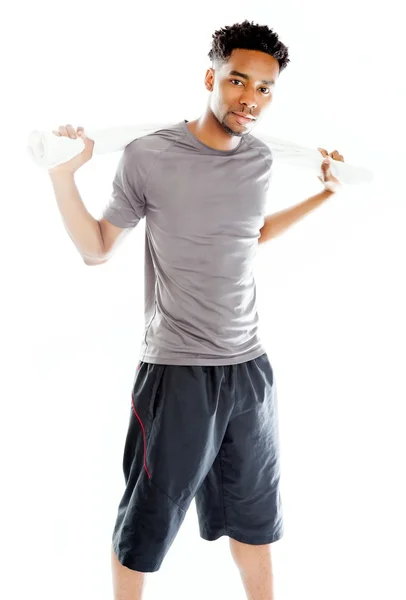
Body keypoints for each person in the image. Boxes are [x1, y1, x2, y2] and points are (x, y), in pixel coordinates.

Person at [48, 19, 344, 600]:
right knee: (147, 524)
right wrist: (64, 176)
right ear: (211, 77)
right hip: (177, 371)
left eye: (264, 88)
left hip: (250, 369)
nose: (249, 99)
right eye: (238, 81)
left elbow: (248, 233)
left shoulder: (257, 161)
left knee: (256, 519)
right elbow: (96, 249)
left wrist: (325, 194)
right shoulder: (149, 155)